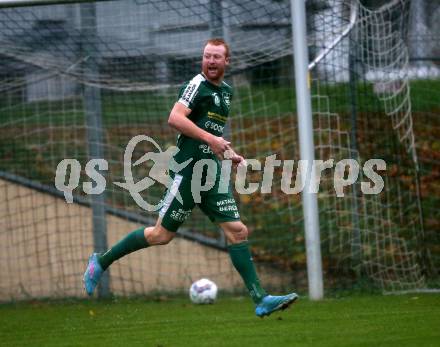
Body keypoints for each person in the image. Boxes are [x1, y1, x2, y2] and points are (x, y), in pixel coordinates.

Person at [83, 38, 298, 317]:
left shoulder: (227, 93)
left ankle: (260, 298)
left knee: (238, 231)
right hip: (187, 173)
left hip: (210, 175)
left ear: (226, 62)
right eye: (207, 56)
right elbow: (175, 118)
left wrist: (229, 153)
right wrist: (212, 139)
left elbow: (208, 134)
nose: (210, 61)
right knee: (160, 235)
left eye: (216, 57)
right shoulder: (196, 85)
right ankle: (100, 261)